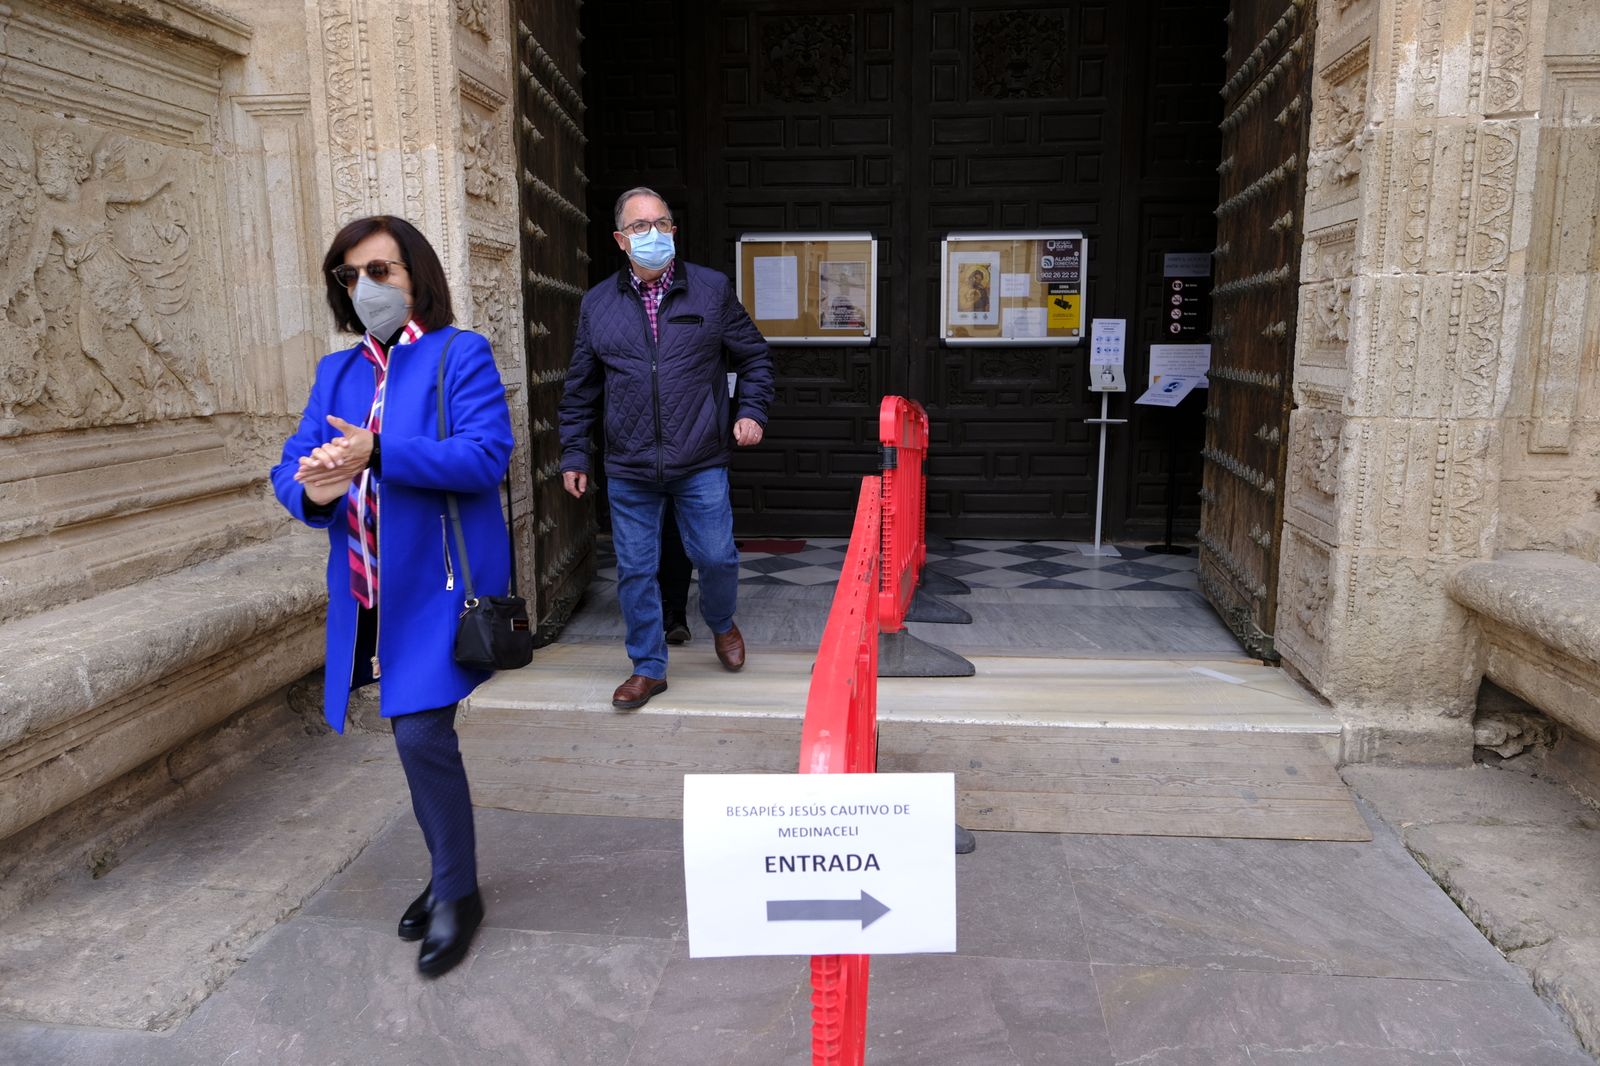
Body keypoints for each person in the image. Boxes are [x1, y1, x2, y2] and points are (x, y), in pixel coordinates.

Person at [271, 215, 512, 978]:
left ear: (416, 276)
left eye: (381, 271)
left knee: (419, 735)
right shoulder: (336, 375)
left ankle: (457, 892)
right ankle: (448, 874)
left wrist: (379, 451)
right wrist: (316, 487)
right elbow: (288, 470)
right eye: (351, 276)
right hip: (366, 589)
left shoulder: (457, 354)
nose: (365, 287)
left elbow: (484, 457)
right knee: (413, 737)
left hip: (436, 588)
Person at [560, 186, 774, 709]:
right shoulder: (597, 305)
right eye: (639, 227)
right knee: (635, 569)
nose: (651, 234)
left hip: (699, 456)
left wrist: (750, 411)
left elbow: (755, 357)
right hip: (630, 465)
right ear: (619, 239)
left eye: (661, 224)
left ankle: (722, 623)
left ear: (674, 231)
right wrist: (573, 453)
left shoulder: (711, 289)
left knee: (717, 557)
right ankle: (648, 666)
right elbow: (580, 387)